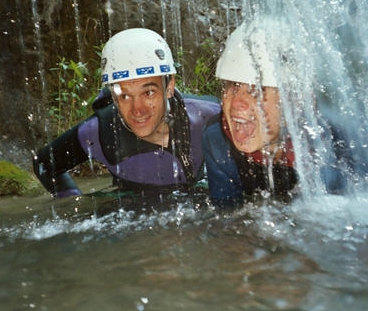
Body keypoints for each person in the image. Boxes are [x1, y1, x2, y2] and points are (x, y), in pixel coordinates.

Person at [33, 28, 220, 202]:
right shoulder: (99, 132)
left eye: (148, 93)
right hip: (132, 207)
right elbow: (44, 163)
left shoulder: (207, 116)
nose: (137, 110)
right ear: (113, 96)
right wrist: (73, 201)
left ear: (169, 86)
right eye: (124, 96)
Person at [202, 20, 298, 206]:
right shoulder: (218, 137)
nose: (237, 103)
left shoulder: (325, 147)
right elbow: (226, 214)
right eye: (234, 86)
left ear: (294, 101)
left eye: (257, 91)